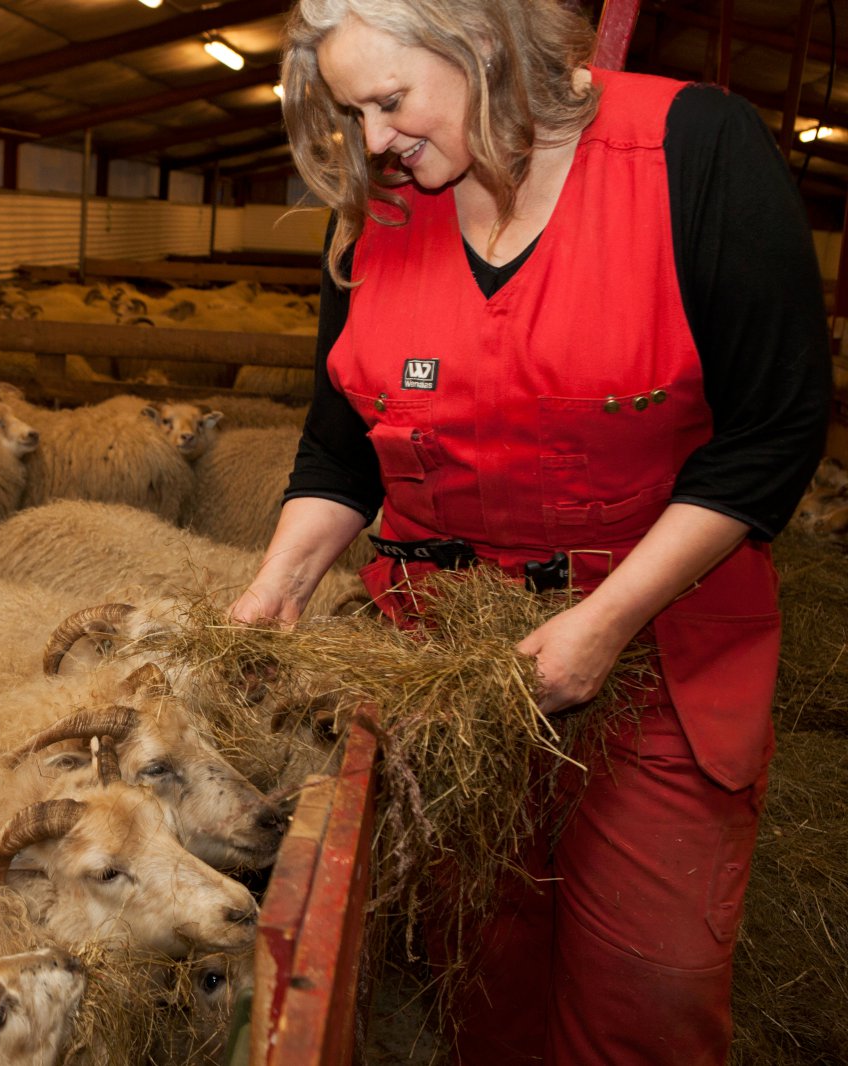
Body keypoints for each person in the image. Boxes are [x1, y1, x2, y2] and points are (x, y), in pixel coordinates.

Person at [228, 1, 833, 1062]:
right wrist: (280, 581)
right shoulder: (380, 211)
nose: (371, 141)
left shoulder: (690, 152)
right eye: (350, 112)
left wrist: (604, 623)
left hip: (653, 661)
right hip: (443, 677)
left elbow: (772, 432)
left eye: (387, 101)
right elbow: (340, 447)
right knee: (480, 971)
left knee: (644, 989)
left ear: (481, 47)